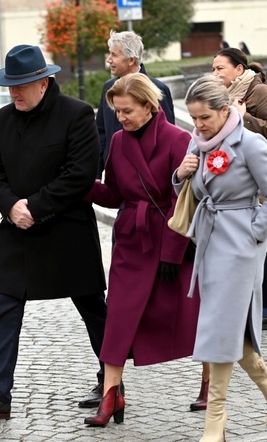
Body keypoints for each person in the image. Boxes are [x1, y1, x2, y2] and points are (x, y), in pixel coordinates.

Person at [0, 44, 108, 420]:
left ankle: (111, 382)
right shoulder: (4, 118)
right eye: (10, 86)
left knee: (93, 311)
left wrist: (35, 207)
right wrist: (12, 206)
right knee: (3, 308)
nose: (14, 92)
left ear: (44, 82)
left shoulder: (77, 114)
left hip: (67, 233)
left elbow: (80, 174)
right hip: (18, 233)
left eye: (22, 85)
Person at [176, 76, 267, 441]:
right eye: (193, 119)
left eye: (204, 117)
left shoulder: (251, 143)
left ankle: (215, 421)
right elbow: (193, 192)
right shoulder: (202, 144)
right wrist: (183, 174)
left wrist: (252, 234)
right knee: (227, 326)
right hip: (209, 244)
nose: (198, 125)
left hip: (239, 247)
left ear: (225, 111)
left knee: (219, 328)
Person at [83, 73, 200, 426]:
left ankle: (210, 382)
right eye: (116, 111)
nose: (121, 118)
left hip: (169, 239)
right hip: (131, 242)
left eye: (127, 111)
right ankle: (111, 394)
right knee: (117, 318)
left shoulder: (179, 139)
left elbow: (185, 203)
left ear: (150, 107)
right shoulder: (118, 142)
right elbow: (115, 194)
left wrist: (173, 252)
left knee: (195, 318)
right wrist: (83, 186)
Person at [211, 47, 267, 329]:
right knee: (249, 246)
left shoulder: (259, 92)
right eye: (213, 69)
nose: (215, 74)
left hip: (257, 180)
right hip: (232, 179)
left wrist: (243, 118)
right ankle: (266, 305)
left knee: (253, 244)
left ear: (239, 70)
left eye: (220, 68)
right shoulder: (225, 96)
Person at [96, 30, 175, 179]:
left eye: (114, 55)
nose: (108, 60)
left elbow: (168, 136)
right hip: (115, 175)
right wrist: (97, 173)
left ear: (131, 60)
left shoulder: (157, 90)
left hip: (147, 177)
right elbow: (101, 132)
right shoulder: (108, 88)